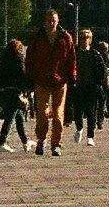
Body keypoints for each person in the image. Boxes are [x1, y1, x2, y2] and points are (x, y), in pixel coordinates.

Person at [25, 9, 77, 155]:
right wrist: (29, 77)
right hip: (41, 80)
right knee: (42, 113)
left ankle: (56, 144)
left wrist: (72, 76)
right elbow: (30, 58)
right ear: (45, 21)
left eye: (53, 20)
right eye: (49, 20)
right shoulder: (37, 37)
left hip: (60, 81)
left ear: (58, 20)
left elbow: (72, 58)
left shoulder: (65, 37)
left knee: (58, 115)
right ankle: (41, 140)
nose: (51, 22)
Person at [73, 28, 109, 146]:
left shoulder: (95, 54)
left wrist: (99, 83)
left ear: (90, 40)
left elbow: (102, 70)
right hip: (77, 86)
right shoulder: (74, 53)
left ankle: (90, 137)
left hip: (91, 87)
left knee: (91, 112)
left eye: (87, 38)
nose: (84, 40)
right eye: (82, 38)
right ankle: (79, 128)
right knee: (78, 111)